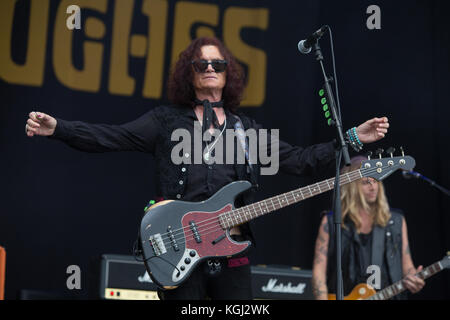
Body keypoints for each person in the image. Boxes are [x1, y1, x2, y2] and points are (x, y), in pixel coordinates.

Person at [25, 37, 390, 300]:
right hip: (178, 246)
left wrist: (353, 138)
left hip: (232, 251)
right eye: (203, 64)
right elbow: (111, 137)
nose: (211, 68)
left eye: (219, 64)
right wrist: (59, 128)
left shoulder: (246, 130)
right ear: (190, 73)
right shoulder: (167, 122)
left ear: (229, 74)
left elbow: (302, 160)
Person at [311, 156, 425, 300]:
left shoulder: (396, 221)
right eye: (365, 182)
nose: (373, 187)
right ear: (351, 187)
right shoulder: (330, 222)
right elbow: (319, 273)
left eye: (375, 180)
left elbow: (407, 267)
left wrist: (414, 279)